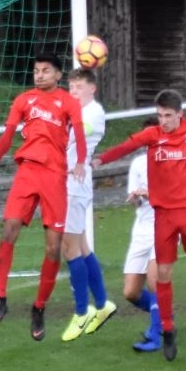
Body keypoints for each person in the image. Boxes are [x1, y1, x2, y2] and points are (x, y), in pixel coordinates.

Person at [95, 89, 186, 361]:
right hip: (163, 215)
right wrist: (99, 160)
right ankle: (167, 330)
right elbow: (125, 147)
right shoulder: (153, 135)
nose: (163, 121)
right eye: (160, 115)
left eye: (167, 115)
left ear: (180, 114)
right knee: (162, 274)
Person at [0, 52, 87, 341]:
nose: (40, 75)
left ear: (58, 75)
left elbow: (80, 135)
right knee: (9, 229)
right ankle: (0, 297)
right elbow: (7, 136)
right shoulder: (24, 100)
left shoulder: (68, 102)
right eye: (36, 70)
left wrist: (80, 161)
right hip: (27, 172)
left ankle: (39, 308)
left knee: (53, 247)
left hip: (55, 177)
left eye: (46, 70)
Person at [60, 68, 117, 342]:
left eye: (79, 87)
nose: (74, 92)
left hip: (74, 186)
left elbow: (73, 135)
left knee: (68, 248)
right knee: (81, 247)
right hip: (67, 185)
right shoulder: (75, 112)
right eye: (71, 87)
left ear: (92, 89)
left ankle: (82, 312)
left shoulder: (93, 113)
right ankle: (103, 304)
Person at [120, 118, 164, 353]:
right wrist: (136, 198)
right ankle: (165, 317)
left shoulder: (171, 161)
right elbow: (137, 203)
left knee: (154, 280)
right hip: (142, 230)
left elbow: (173, 195)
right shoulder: (137, 163)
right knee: (130, 292)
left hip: (165, 226)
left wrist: (150, 193)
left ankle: (156, 337)